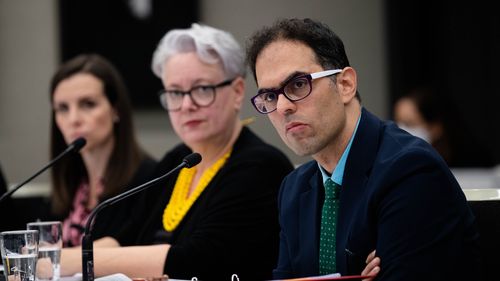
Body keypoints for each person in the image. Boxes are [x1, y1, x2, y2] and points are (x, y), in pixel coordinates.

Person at [245, 18, 481, 280]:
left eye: (298, 84)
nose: (282, 108)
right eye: (269, 96)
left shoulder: (410, 170)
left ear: (345, 85)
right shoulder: (293, 188)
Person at [60, 24, 295, 280]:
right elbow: (123, 238)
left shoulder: (259, 166)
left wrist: (56, 261)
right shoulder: (178, 160)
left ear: (237, 92)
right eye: (174, 92)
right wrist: (54, 257)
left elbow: (194, 259)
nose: (186, 105)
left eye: (202, 89)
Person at [48, 54, 157, 247]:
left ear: (116, 110)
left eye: (88, 104)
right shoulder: (70, 183)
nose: (73, 119)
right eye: (63, 108)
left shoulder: (148, 180)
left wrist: (47, 260)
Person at [394, 87, 494, 167]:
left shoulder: (473, 162)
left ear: (436, 127)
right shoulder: (402, 164)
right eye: (396, 122)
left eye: (409, 123)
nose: (400, 129)